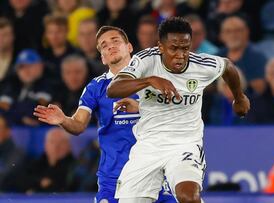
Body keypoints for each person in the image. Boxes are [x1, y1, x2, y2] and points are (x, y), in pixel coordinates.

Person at [106, 17, 250, 203]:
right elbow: (113, 89)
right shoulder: (145, 60)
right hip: (149, 145)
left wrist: (239, 98)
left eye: (185, 48)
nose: (181, 55)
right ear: (161, 47)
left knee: (188, 197)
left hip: (185, 144)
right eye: (174, 48)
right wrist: (150, 80)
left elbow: (228, 66)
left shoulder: (202, 65)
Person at [34, 26, 176, 203]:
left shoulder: (154, 79)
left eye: (115, 41)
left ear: (130, 47)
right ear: (102, 58)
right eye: (104, 45)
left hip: (155, 174)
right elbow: (78, 125)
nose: (110, 46)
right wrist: (63, 120)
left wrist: (141, 108)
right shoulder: (96, 87)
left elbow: (176, 115)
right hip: (114, 178)